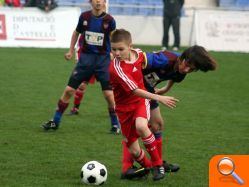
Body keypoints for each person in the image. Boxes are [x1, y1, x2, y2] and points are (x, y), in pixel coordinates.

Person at [121, 45, 217, 179]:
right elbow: (141, 57)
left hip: (148, 90)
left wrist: (165, 89)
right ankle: (142, 166)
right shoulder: (164, 59)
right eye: (187, 64)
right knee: (136, 128)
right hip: (134, 89)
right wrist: (122, 54)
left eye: (192, 69)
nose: (187, 69)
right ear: (182, 57)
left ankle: (158, 162)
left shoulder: (182, 71)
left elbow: (175, 77)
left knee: (157, 124)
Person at [109, 29, 179, 181]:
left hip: (140, 102)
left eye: (120, 49)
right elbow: (135, 90)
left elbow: (148, 69)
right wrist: (160, 98)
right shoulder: (116, 68)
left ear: (130, 46)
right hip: (123, 109)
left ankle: (158, 165)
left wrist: (160, 85)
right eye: (113, 49)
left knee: (142, 126)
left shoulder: (139, 54)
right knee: (134, 150)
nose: (117, 53)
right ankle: (149, 167)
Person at [42, 0, 120, 134]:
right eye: (96, 0)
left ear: (104, 3)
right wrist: (71, 50)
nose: (98, 2)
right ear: (91, 2)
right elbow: (76, 33)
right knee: (68, 91)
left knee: (108, 95)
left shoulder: (110, 20)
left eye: (101, 0)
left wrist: (115, 53)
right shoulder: (84, 17)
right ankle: (55, 121)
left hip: (103, 62)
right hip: (85, 61)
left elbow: (114, 39)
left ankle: (115, 124)